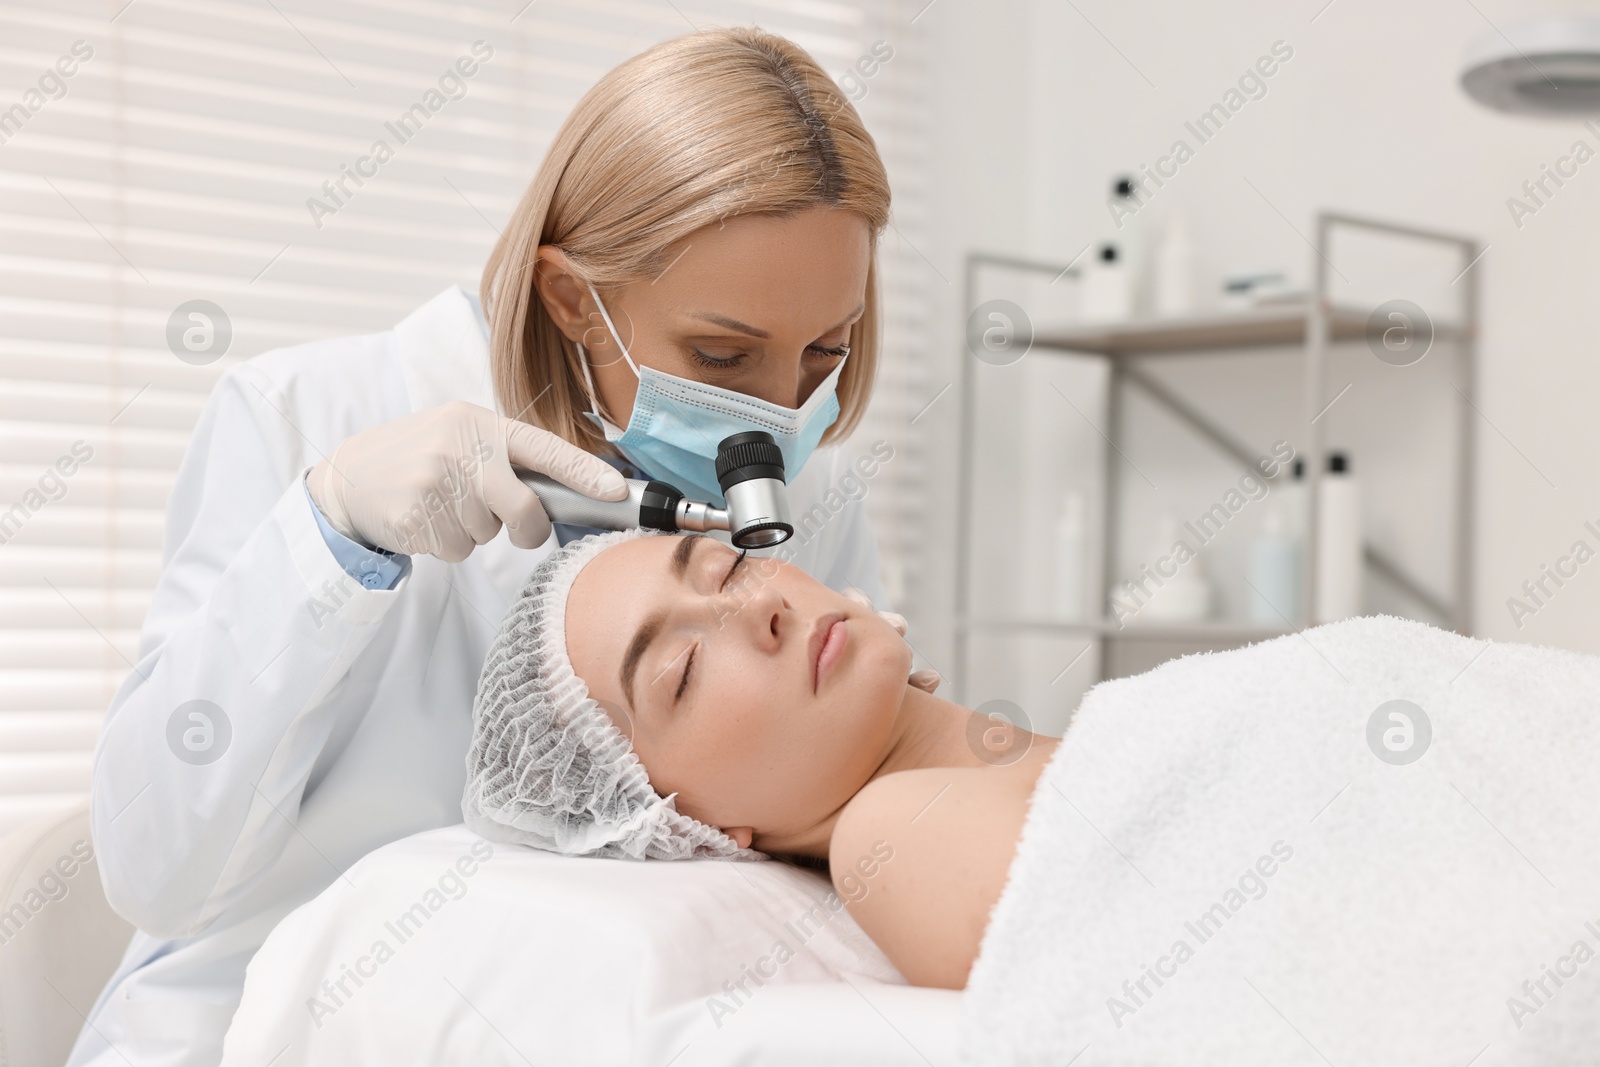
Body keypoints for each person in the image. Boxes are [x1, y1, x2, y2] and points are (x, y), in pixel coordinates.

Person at [73, 28, 930, 1067]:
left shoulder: (806, 477)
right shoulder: (306, 415)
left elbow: (841, 821)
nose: (775, 413)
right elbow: (158, 865)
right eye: (719, 353)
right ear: (573, 296)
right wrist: (328, 537)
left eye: (824, 352)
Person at [463, 529, 1058, 993]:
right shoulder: (890, 835)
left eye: (731, 570)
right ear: (691, 828)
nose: (759, 606)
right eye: (684, 668)